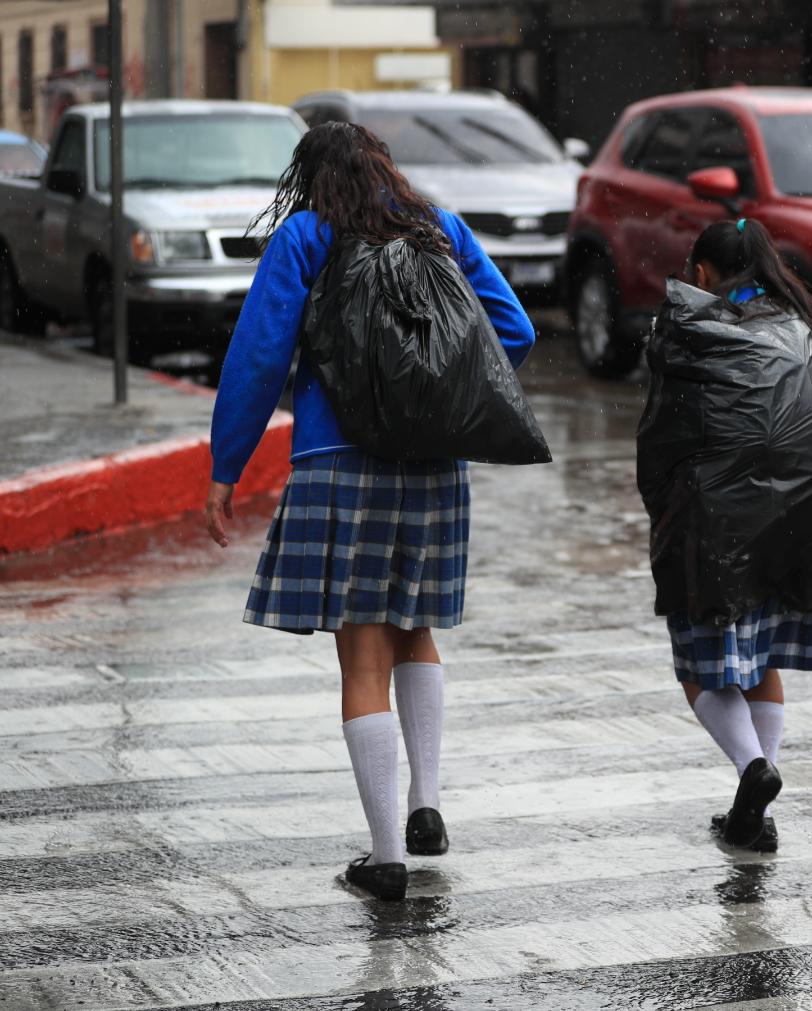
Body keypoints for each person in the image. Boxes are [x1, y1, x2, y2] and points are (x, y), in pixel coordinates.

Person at [204, 122, 535, 901]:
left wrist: (226, 465)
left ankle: (385, 857)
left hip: (335, 462)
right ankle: (426, 801)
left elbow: (258, 358)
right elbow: (513, 330)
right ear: (385, 165)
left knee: (362, 656)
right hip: (433, 465)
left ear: (312, 177)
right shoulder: (440, 227)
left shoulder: (305, 237)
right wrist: (438, 389)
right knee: (414, 626)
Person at [637, 217, 812, 855]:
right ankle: (754, 817)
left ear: (705, 274)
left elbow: (661, 439)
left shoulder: (694, 331)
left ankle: (752, 771)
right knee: (763, 661)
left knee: (700, 666)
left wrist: (666, 510)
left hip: (717, 527)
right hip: (798, 522)